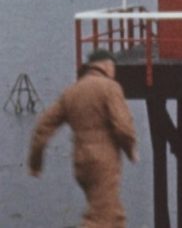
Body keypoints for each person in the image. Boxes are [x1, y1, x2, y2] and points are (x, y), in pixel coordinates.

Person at [28, 49, 137, 228]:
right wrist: (130, 149)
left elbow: (42, 127)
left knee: (114, 215)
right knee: (101, 218)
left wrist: (35, 163)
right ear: (107, 65)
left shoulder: (72, 91)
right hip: (103, 160)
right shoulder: (109, 87)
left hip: (80, 161)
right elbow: (123, 126)